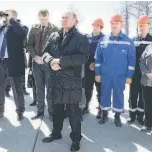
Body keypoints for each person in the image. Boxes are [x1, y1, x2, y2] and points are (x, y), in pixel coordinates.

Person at [41, 12, 90, 151]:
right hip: (55, 80)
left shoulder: (81, 38)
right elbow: (45, 53)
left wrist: (61, 62)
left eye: (67, 18)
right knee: (56, 111)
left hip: (71, 82)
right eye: (62, 17)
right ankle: (56, 133)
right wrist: (51, 61)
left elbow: (83, 58)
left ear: (75, 21)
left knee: (73, 113)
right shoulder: (54, 35)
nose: (64, 19)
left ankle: (76, 140)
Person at [0, 9, 28, 121]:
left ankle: (20, 112)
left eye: (8, 14)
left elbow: (22, 33)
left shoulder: (21, 27)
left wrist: (11, 20)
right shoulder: (0, 27)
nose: (6, 16)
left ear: (14, 17)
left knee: (17, 88)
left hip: (13, 62)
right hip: (0, 61)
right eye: (6, 14)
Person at [95, 14, 135, 127]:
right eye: (112, 23)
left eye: (116, 23)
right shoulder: (103, 40)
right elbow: (98, 58)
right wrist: (97, 73)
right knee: (105, 94)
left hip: (120, 76)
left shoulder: (128, 41)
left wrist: (129, 76)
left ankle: (117, 117)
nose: (114, 25)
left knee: (118, 95)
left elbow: (131, 60)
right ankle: (104, 115)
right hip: (106, 74)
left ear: (121, 24)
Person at [27, 9, 58, 120]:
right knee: (39, 88)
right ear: (38, 18)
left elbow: (56, 47)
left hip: (48, 64)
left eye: (45, 19)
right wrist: (35, 57)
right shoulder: (34, 28)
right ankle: (40, 111)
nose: (43, 21)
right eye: (41, 19)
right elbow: (29, 45)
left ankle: (51, 112)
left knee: (49, 89)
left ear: (49, 17)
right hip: (36, 63)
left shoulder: (55, 29)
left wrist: (46, 59)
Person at [127, 15, 152, 125]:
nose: (142, 28)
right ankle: (132, 116)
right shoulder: (133, 40)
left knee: (143, 96)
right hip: (134, 73)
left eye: (144, 25)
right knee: (132, 95)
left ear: (148, 27)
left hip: (146, 73)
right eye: (140, 26)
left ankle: (140, 117)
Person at [82, 18, 104, 119]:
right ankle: (86, 106)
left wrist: (96, 63)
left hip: (99, 66)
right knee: (87, 87)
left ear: (101, 27)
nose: (95, 27)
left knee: (100, 88)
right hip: (87, 66)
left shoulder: (104, 38)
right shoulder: (87, 37)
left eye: (98, 26)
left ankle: (101, 109)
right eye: (94, 25)